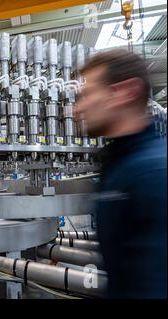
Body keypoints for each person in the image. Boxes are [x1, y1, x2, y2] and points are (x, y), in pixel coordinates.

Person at [75, 49, 167, 298]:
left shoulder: (155, 173)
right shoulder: (118, 162)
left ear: (124, 92)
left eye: (87, 95)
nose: (76, 109)